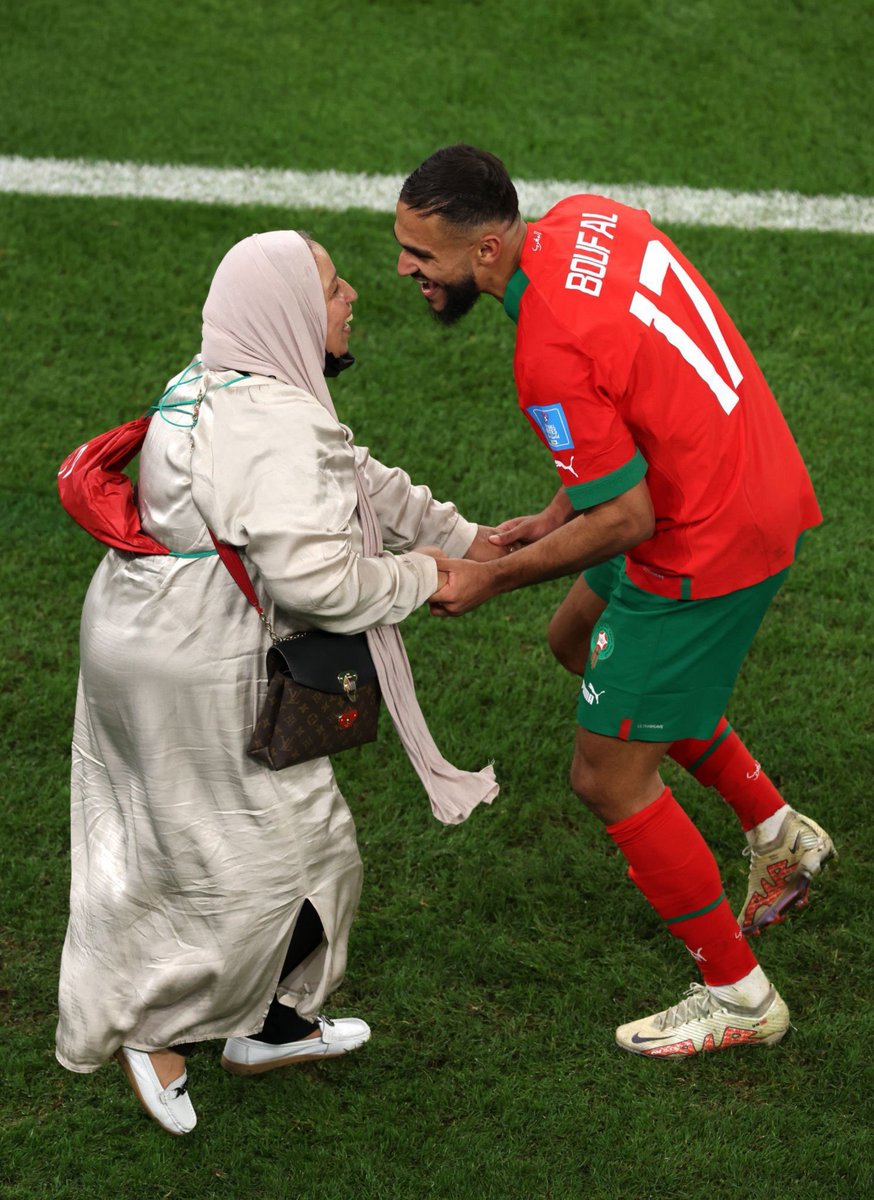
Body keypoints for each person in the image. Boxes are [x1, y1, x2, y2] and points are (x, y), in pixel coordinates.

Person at [392, 144, 835, 1058]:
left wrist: (492, 574)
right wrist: (556, 508)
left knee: (606, 773)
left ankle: (738, 994)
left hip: (701, 538)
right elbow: (632, 395)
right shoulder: (593, 219)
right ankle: (779, 830)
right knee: (575, 638)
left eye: (422, 255)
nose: (406, 270)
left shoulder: (544, 352)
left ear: (483, 253)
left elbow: (625, 518)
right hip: (744, 476)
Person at [56, 229, 502, 1134]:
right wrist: (426, 574)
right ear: (289, 312)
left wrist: (473, 540)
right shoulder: (278, 420)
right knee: (267, 862)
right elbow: (321, 583)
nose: (350, 302)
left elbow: (356, 479)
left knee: (180, 847)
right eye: (333, 289)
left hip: (138, 635)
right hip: (194, 661)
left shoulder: (218, 378)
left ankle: (275, 1023)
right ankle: (156, 1030)